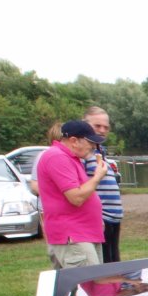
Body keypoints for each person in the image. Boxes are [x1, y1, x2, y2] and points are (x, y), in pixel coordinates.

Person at [34, 120, 109, 269]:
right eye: (90, 142)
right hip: (74, 236)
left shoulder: (69, 158)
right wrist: (97, 177)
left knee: (93, 280)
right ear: (74, 140)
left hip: (83, 234)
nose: (93, 147)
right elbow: (76, 197)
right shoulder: (57, 157)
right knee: (89, 281)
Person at [83, 106, 124, 263]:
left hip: (114, 218)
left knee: (114, 262)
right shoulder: (83, 153)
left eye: (106, 127)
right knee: (105, 265)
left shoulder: (99, 151)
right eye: (97, 126)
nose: (102, 130)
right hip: (100, 218)